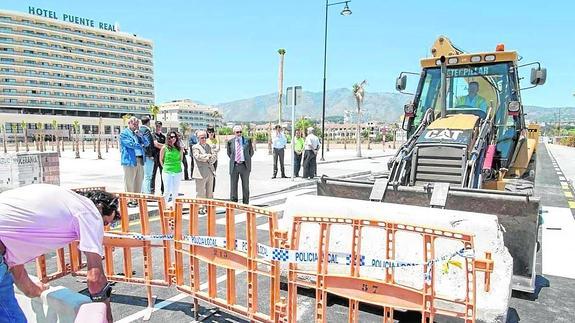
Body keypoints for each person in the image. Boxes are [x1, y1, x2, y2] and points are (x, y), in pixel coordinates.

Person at [0, 184, 120, 322]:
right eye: (104, 223)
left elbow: (16, 267)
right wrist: (106, 316)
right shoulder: (89, 211)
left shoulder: (60, 201)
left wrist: (32, 288)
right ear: (100, 209)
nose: (102, 228)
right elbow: (95, 279)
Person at [120, 117, 148, 206]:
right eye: (134, 124)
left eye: (137, 124)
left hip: (140, 159)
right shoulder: (124, 133)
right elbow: (130, 144)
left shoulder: (138, 133)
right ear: (129, 124)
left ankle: (136, 199)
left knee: (138, 180)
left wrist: (141, 136)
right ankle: (129, 200)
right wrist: (141, 145)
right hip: (130, 160)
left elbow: (147, 143)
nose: (136, 126)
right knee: (129, 181)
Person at [227, 125, 254, 204]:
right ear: (234, 133)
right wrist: (236, 160)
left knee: (245, 185)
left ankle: (245, 202)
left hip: (244, 166)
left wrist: (245, 159)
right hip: (234, 166)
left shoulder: (247, 140)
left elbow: (251, 152)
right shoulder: (230, 142)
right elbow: (229, 153)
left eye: (240, 132)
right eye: (237, 132)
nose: (239, 134)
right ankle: (233, 202)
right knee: (233, 185)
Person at [160, 131, 183, 206]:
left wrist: (182, 149)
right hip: (167, 171)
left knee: (175, 192)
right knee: (167, 191)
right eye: (171, 137)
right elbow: (161, 159)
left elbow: (181, 159)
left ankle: (174, 208)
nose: (173, 138)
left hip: (177, 171)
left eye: (175, 137)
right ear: (168, 138)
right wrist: (164, 167)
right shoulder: (164, 147)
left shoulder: (178, 148)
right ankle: (163, 208)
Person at [192, 130, 217, 200]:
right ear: (198, 138)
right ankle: (200, 209)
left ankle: (209, 209)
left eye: (205, 137)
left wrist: (209, 158)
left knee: (210, 193)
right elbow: (198, 157)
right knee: (200, 193)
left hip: (210, 172)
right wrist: (208, 156)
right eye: (202, 138)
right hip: (200, 173)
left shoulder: (209, 146)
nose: (204, 139)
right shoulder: (195, 147)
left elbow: (214, 156)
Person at [140, 116, 156, 194]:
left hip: (142, 156)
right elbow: (148, 143)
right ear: (148, 122)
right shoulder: (146, 131)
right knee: (148, 176)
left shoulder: (139, 130)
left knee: (144, 175)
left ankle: (144, 191)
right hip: (147, 156)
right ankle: (147, 193)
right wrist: (151, 155)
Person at [151, 121, 166, 195]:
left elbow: (167, 146)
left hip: (162, 157)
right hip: (155, 157)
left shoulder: (163, 137)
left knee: (163, 174)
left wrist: (162, 146)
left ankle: (163, 191)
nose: (158, 127)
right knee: (153, 174)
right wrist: (164, 146)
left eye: (159, 126)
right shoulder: (153, 135)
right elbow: (156, 144)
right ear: (155, 126)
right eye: (157, 126)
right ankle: (152, 191)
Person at [206, 125, 219, 191]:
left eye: (212, 132)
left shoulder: (216, 140)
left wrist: (211, 149)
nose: (211, 133)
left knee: (213, 175)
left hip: (214, 160)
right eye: (210, 132)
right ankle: (207, 190)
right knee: (206, 175)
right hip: (207, 161)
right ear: (207, 132)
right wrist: (212, 148)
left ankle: (212, 191)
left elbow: (217, 149)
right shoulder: (205, 140)